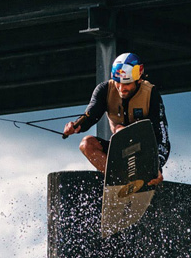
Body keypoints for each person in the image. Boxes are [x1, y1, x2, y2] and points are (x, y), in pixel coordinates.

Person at [63, 52, 169, 183]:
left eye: (127, 84)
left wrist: (157, 166)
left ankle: (138, 177)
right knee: (86, 144)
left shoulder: (151, 94)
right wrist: (76, 125)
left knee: (120, 130)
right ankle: (118, 181)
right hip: (119, 152)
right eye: (118, 83)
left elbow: (162, 138)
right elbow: (90, 115)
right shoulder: (104, 90)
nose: (121, 88)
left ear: (139, 80)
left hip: (144, 153)